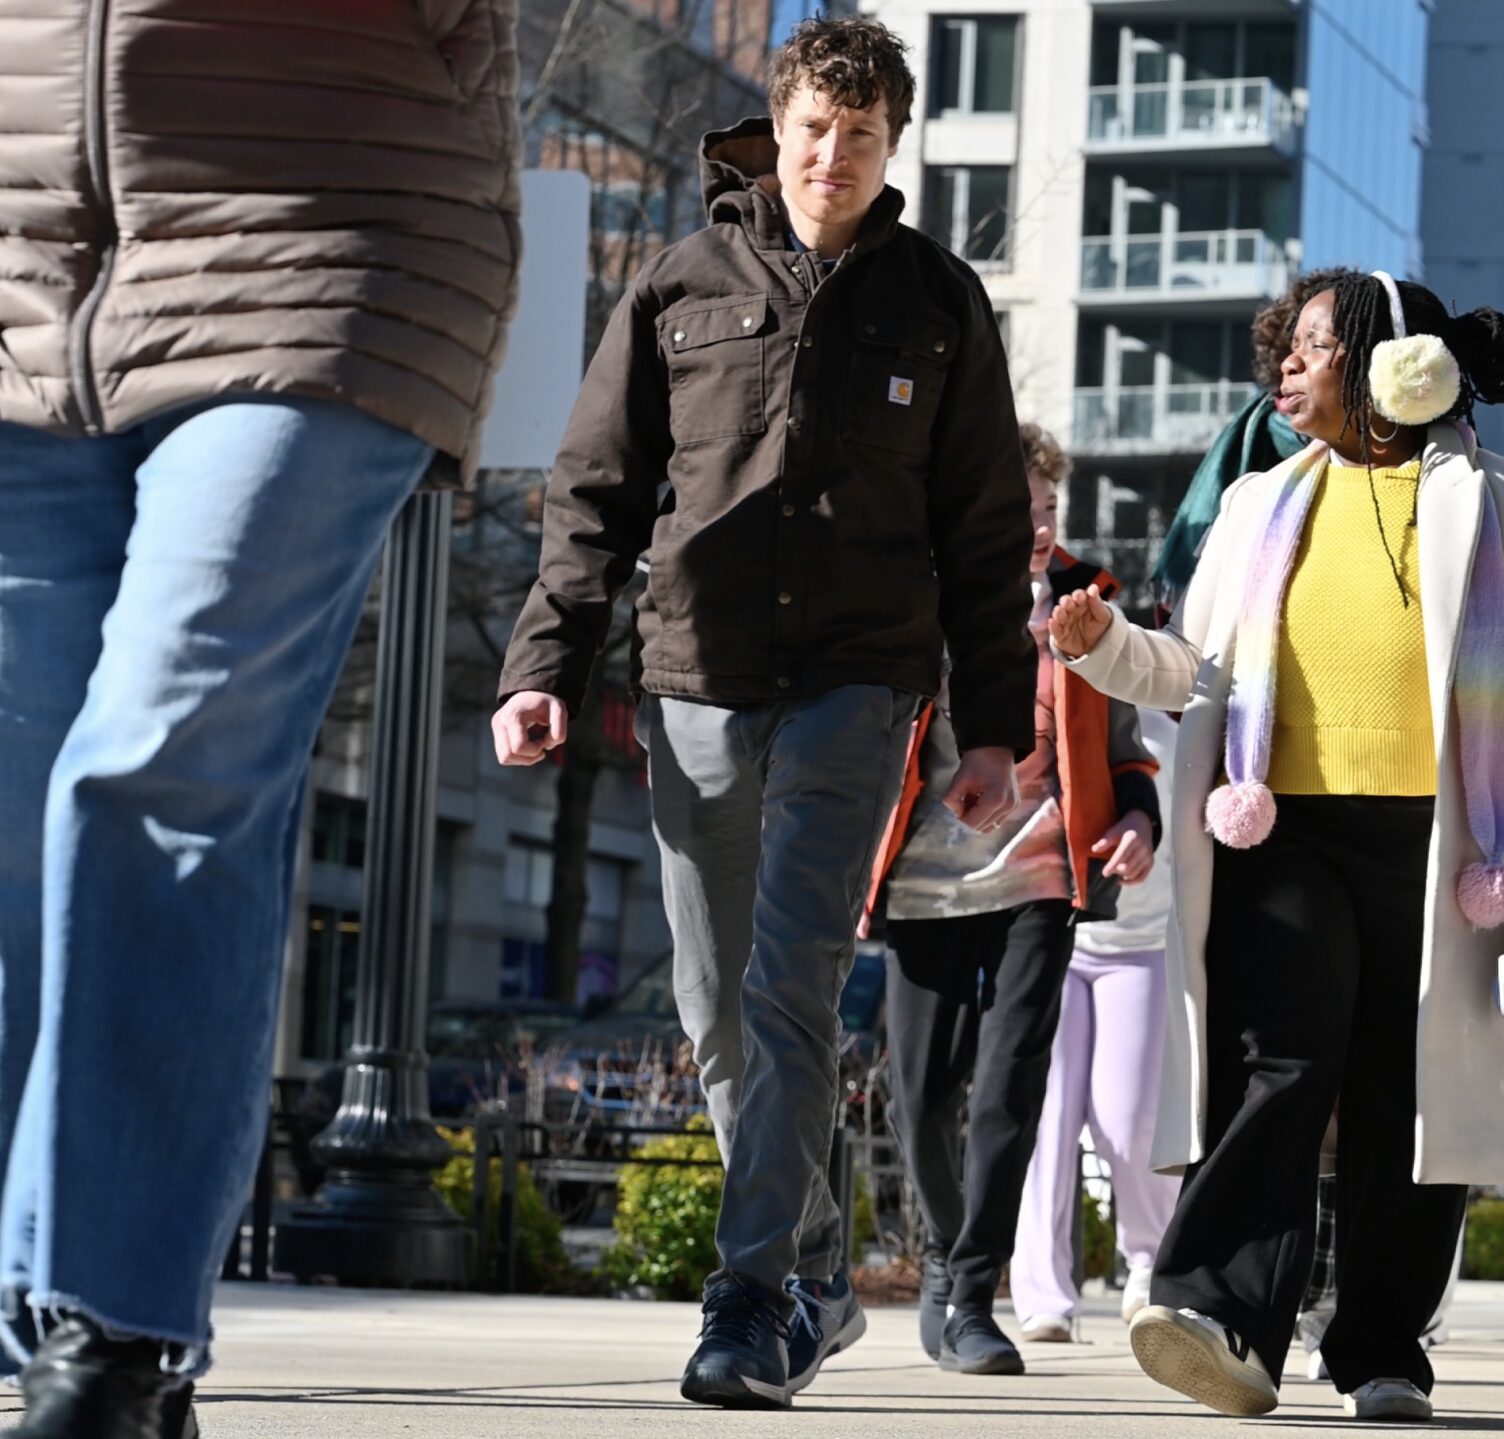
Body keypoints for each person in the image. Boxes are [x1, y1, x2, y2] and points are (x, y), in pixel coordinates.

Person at [492, 18, 1035, 1408]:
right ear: (776, 125)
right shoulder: (680, 282)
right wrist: (543, 665)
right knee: (713, 1004)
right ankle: (815, 1261)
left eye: (862, 135)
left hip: (862, 679)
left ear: (891, 144)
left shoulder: (938, 298)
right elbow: (595, 492)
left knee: (791, 977)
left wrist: (993, 725)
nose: (833, 155)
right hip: (695, 670)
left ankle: (749, 1300)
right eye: (813, 128)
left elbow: (982, 529)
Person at [0, 7, 520, 1435]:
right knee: (16, 817)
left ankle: (114, 1324)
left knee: (160, 755)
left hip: (318, 239)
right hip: (24, 256)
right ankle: (33, 1305)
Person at [1049, 271, 1504, 1423]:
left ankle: (1383, 1348)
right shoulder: (1259, 500)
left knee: (1410, 1085)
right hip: (1279, 824)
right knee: (1279, 1057)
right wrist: (1105, 647)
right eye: (1284, 348)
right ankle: (1218, 1313)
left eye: (1314, 347)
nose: (1285, 368)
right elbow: (1189, 669)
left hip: (1451, 845)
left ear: (1393, 366)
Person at [868, 424, 1160, 1375]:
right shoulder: (915, 589)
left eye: (1049, 509)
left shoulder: (1088, 602)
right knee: (921, 1096)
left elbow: (1121, 741)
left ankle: (972, 1291)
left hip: (1040, 874)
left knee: (1008, 1088)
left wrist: (1139, 816)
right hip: (921, 875)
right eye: (1021, 506)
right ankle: (950, 1259)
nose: (1038, 526)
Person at [1009, 704, 1183, 1344]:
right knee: (1044, 1118)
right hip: (1050, 937)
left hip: (1141, 947)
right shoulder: (1050, 714)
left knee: (1128, 1115)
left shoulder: (1179, 727)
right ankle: (1044, 1297)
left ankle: (1147, 1261)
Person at [1157, 268, 1361, 601]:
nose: (1294, 365)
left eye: (1318, 345)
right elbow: (1186, 640)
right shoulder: (1251, 493)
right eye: (1295, 348)